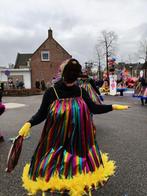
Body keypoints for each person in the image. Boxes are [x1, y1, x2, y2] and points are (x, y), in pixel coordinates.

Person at [17, 58, 128, 196]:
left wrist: (112, 107)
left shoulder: (81, 92)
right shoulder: (52, 92)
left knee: (76, 176)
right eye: (70, 72)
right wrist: (29, 123)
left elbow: (94, 108)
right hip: (57, 142)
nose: (72, 75)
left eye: (75, 72)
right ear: (63, 73)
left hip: (79, 142)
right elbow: (41, 114)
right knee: (57, 174)